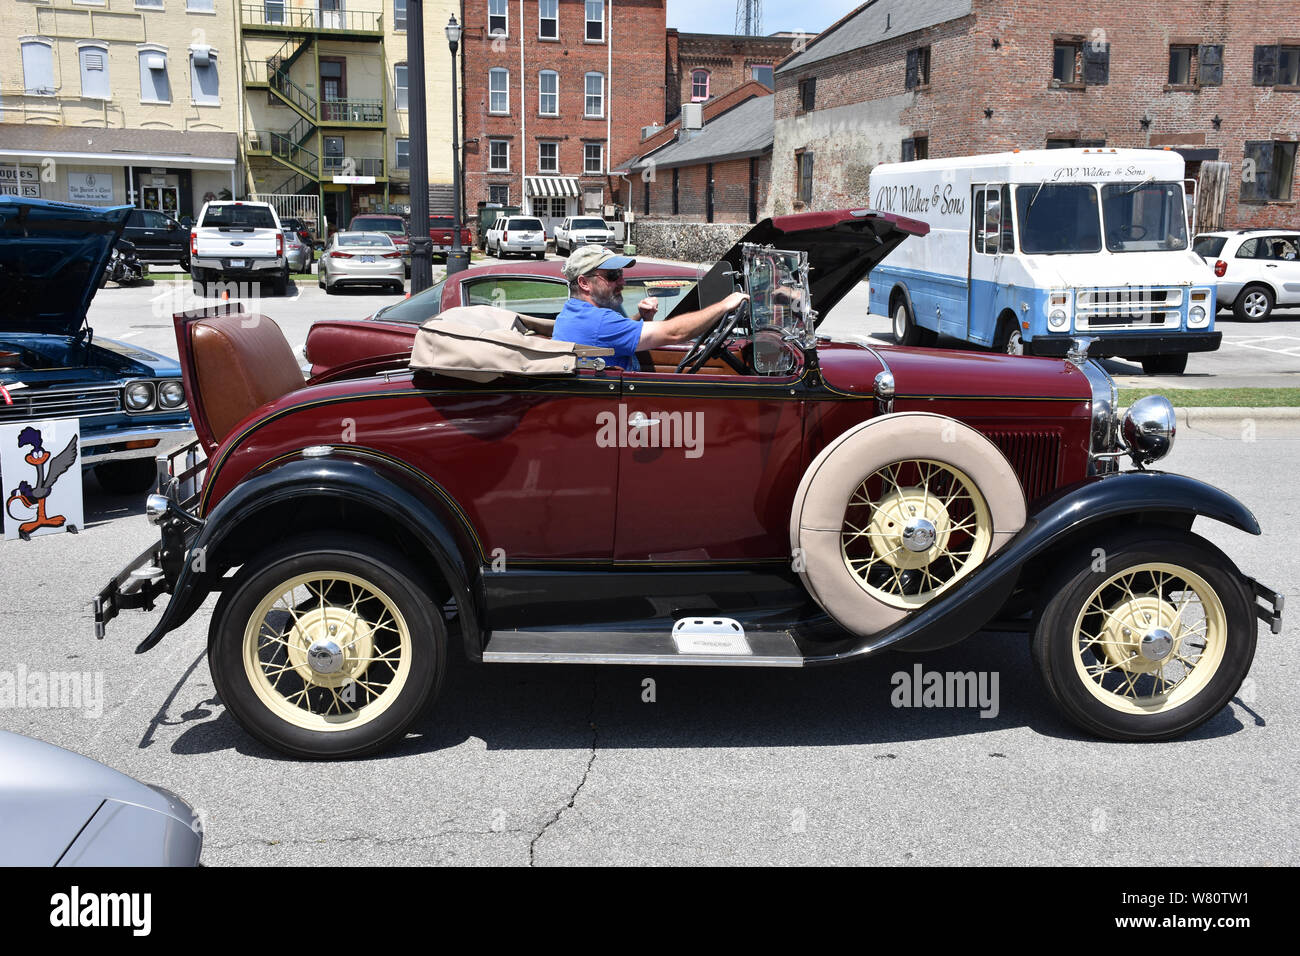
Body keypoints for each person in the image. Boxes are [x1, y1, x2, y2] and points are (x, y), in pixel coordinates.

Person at [554, 245, 748, 371]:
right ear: (584, 283)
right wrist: (724, 305)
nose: (622, 280)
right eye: (612, 275)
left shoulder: (575, 312)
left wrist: (641, 316)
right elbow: (674, 333)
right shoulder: (598, 322)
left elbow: (607, 333)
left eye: (620, 273)